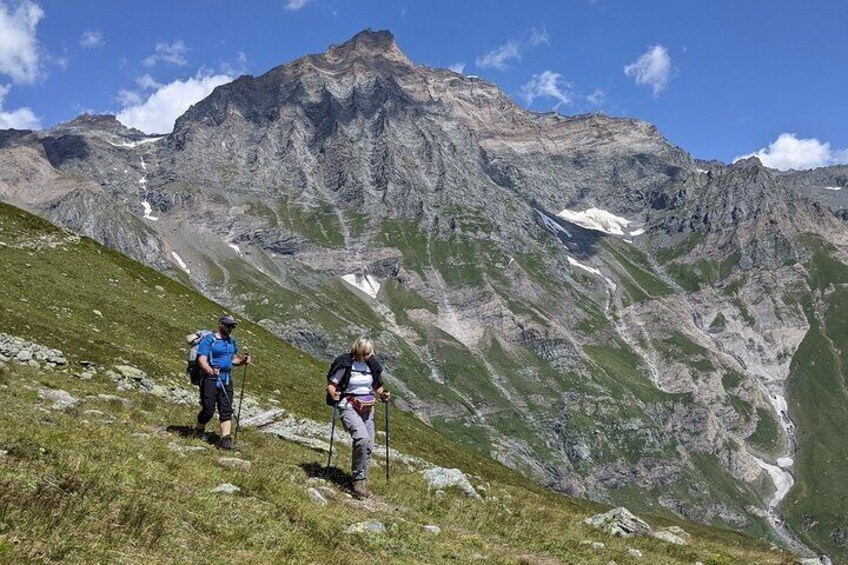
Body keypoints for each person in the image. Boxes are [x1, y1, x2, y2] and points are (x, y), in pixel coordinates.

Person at [326, 337, 390, 498]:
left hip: (368, 407)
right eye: (365, 353)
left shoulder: (372, 364)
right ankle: (358, 482)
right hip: (348, 406)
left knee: (369, 444)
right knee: (361, 438)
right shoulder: (345, 363)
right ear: (359, 350)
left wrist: (383, 393)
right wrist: (334, 395)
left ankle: (361, 479)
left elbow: (377, 385)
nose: (368, 355)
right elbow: (332, 384)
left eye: (370, 352)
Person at [194, 314, 251, 450]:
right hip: (210, 379)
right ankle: (199, 430)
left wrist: (242, 361)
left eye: (232, 326)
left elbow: (233, 359)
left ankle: (226, 441)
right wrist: (208, 369)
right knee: (208, 409)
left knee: (226, 409)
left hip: (225, 379)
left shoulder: (231, 342)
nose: (231, 328)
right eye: (228, 325)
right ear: (221, 325)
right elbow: (202, 358)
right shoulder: (209, 341)